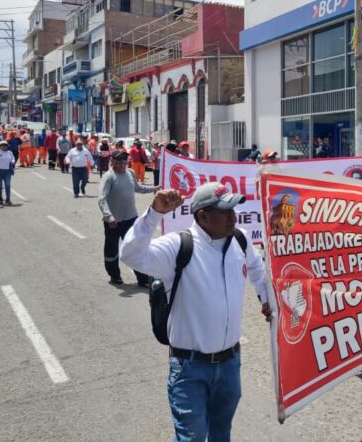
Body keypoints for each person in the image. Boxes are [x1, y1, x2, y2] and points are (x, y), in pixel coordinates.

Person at [120, 183, 273, 442]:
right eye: (224, 211)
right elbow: (131, 254)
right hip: (190, 367)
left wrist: (267, 300)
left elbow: (258, 271)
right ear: (202, 216)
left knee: (220, 433)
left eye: (233, 208)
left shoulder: (240, 238)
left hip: (229, 364)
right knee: (191, 438)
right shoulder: (179, 246)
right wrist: (154, 214)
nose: (233, 216)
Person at [98, 150, 157, 286]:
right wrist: (109, 216)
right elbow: (102, 199)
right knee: (112, 250)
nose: (121, 165)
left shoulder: (130, 172)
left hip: (130, 219)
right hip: (113, 222)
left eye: (124, 162)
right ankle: (115, 276)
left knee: (135, 248)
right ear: (112, 161)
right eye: (118, 162)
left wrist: (153, 188)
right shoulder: (109, 177)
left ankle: (142, 279)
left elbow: (137, 187)